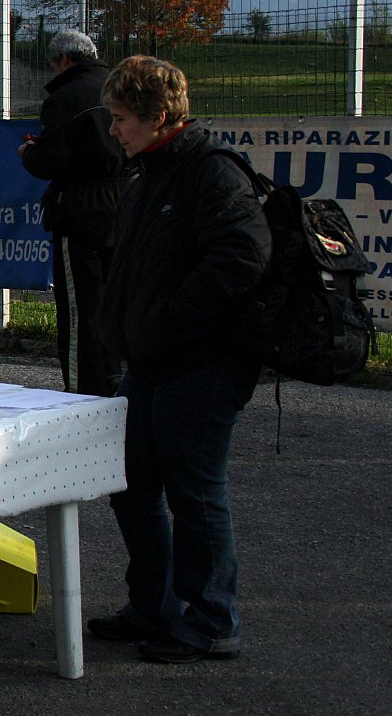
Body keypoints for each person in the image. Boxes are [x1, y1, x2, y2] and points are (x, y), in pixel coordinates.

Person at [89, 56, 271, 665]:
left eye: (121, 118)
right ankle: (155, 605)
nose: (114, 130)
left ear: (159, 115)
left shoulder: (211, 172)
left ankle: (213, 619)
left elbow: (243, 258)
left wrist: (166, 322)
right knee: (132, 486)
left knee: (195, 492)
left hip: (202, 365)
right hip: (151, 363)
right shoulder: (150, 175)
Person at [18, 30, 128, 396]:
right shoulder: (119, 88)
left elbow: (50, 161)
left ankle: (83, 393)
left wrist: (29, 153)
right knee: (116, 300)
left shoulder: (65, 98)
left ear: (63, 60)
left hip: (79, 210)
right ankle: (116, 381)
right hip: (124, 204)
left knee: (80, 310)